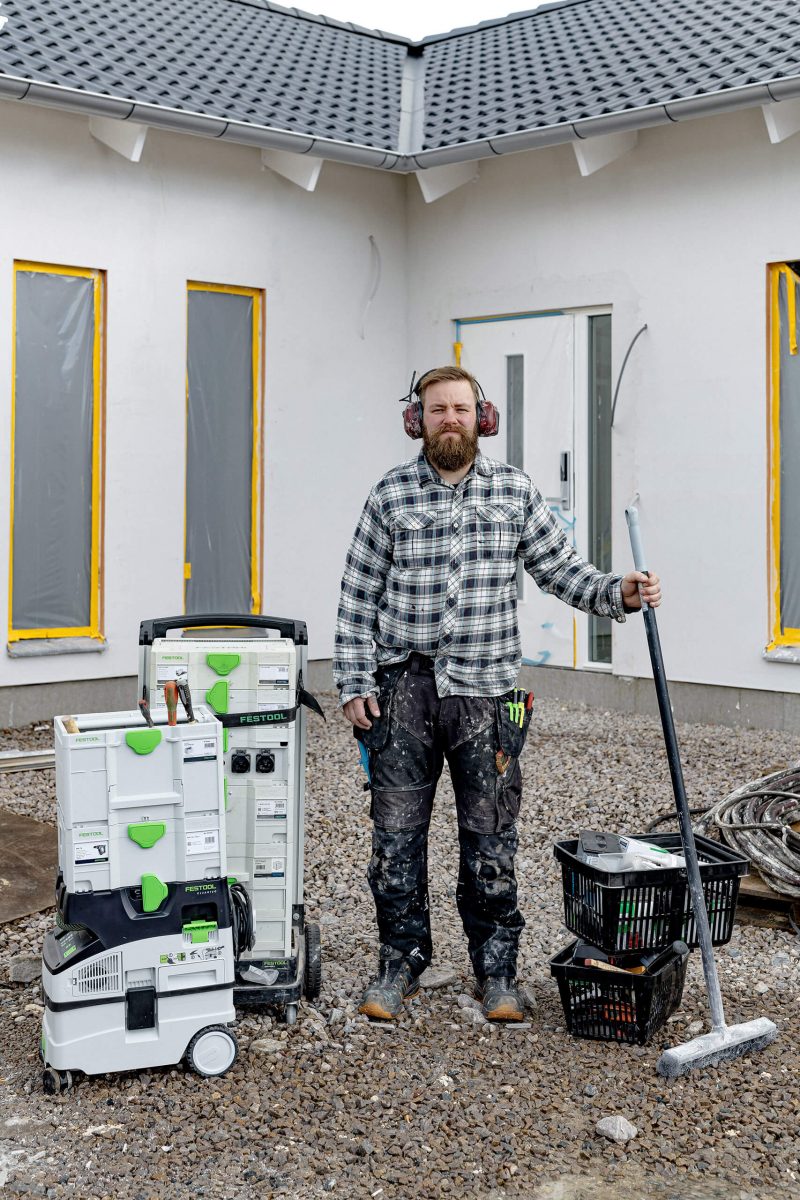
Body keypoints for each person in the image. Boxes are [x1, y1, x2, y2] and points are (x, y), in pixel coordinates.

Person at [333, 365, 661, 1022]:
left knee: (490, 837)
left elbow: (561, 570)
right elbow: (357, 595)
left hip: (488, 693)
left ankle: (497, 971)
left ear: (482, 418)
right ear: (416, 420)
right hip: (402, 691)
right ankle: (400, 962)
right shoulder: (389, 496)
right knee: (395, 837)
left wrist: (617, 593)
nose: (448, 419)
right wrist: (353, 681)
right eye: (436, 410)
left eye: (460, 408)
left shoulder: (514, 493)